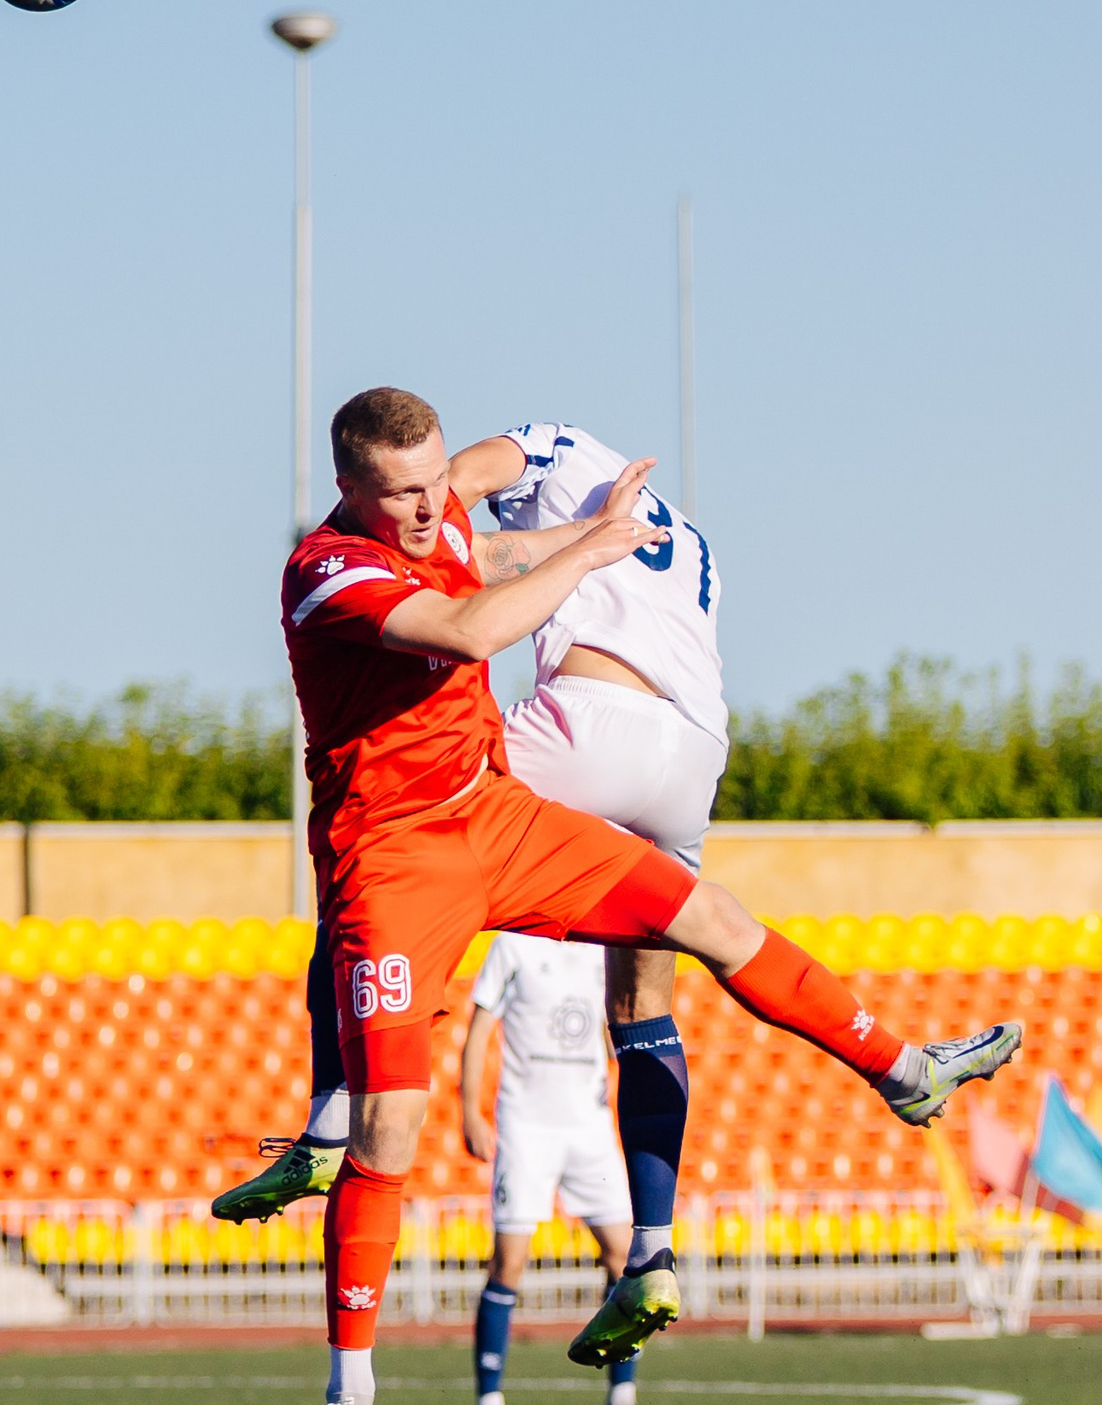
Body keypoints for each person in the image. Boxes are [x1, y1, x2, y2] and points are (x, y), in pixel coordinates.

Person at [279, 388, 1020, 1405]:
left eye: (439, 479)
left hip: (499, 814)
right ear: (351, 491)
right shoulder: (326, 569)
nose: (434, 504)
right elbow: (475, 626)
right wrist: (600, 554)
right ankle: (352, 1385)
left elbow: (508, 538)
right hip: (400, 853)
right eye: (405, 491)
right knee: (395, 1115)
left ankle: (904, 1070)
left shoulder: (447, 524)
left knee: (709, 916)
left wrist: (595, 533)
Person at [219, 415, 732, 1349]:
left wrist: (405, 520)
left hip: (591, 722)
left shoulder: (557, 446)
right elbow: (501, 539)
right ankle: (653, 1253)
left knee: (383, 862)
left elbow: (459, 495)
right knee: (646, 999)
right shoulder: (679, 530)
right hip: (695, 753)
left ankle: (330, 1121)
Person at [459, 932, 666, 1405]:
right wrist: (470, 1110)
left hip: (589, 1127)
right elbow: (480, 1027)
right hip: (528, 1126)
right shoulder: (513, 945)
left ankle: (622, 1401)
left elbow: (621, 1018)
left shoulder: (600, 949)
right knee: (508, 1262)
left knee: (627, 1257)